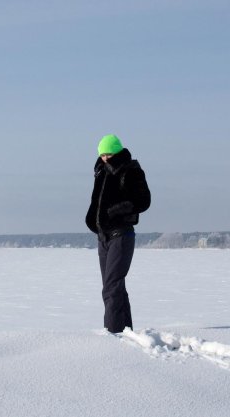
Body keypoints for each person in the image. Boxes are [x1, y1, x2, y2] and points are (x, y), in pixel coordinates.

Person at [85, 134, 151, 333]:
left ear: (117, 151)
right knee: (115, 287)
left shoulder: (130, 170)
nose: (105, 158)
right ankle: (126, 331)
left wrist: (116, 211)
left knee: (111, 287)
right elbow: (96, 203)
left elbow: (143, 201)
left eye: (108, 154)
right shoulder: (101, 172)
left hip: (121, 235)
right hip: (103, 237)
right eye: (102, 154)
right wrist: (92, 220)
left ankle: (113, 334)